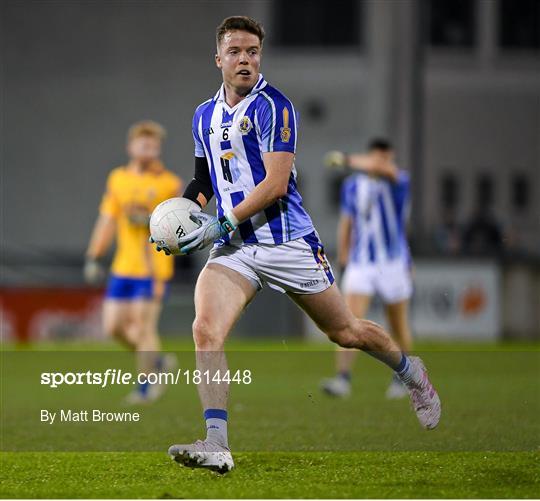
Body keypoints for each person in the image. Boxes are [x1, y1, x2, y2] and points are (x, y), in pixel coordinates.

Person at [151, 16, 440, 474]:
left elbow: (276, 185)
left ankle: (411, 372)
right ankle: (217, 443)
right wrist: (180, 220)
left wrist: (218, 224)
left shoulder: (275, 107)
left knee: (346, 332)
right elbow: (204, 181)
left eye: (253, 52)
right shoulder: (203, 116)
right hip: (235, 248)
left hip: (287, 242)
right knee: (205, 330)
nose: (245, 60)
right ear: (218, 59)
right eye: (236, 52)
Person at [85, 120, 182, 403]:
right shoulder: (118, 179)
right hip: (122, 266)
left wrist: (153, 221)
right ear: (131, 147)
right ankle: (158, 362)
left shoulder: (168, 183)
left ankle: (145, 387)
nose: (149, 150)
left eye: (154, 146)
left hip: (153, 268)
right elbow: (107, 219)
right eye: (144, 144)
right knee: (113, 328)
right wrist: (94, 255)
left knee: (143, 327)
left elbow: (177, 224)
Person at [320, 139, 413, 399]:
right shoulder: (352, 186)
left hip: (393, 262)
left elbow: (385, 170)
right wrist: (343, 256)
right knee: (348, 321)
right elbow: (346, 222)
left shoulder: (398, 180)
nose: (380, 163)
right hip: (362, 262)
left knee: (398, 323)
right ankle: (342, 379)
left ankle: (403, 377)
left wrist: (347, 159)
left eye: (384, 159)